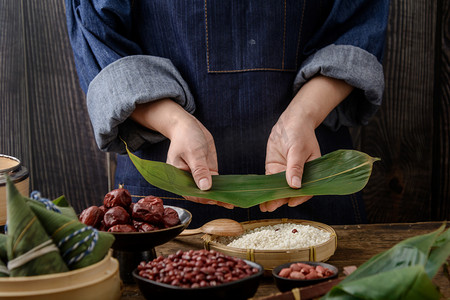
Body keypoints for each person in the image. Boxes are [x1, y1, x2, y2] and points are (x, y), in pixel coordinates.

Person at [65, 0, 389, 227]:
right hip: (171, 180)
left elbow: (359, 22)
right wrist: (175, 123)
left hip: (306, 173)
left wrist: (304, 115)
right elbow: (96, 32)